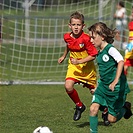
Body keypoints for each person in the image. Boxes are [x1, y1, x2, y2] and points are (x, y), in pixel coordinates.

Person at [88, 22, 132, 133]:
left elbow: (121, 61)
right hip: (103, 87)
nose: (91, 41)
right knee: (93, 109)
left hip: (116, 89)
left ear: (102, 37)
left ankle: (125, 108)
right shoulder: (99, 53)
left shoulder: (110, 49)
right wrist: (97, 86)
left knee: (111, 119)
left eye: (93, 38)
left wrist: (115, 80)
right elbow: (103, 72)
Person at [58, 11, 98, 121]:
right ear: (69, 25)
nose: (76, 27)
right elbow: (68, 45)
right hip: (74, 67)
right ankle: (79, 106)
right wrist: (63, 55)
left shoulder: (86, 39)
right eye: (74, 25)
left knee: (95, 92)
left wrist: (79, 62)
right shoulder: (67, 36)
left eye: (78, 25)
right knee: (68, 86)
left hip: (87, 69)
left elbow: (93, 55)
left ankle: (105, 110)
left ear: (83, 26)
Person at [124, 6, 133, 75]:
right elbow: (129, 36)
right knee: (125, 64)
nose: (132, 14)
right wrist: (128, 44)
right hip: (131, 48)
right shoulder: (131, 23)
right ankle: (123, 83)